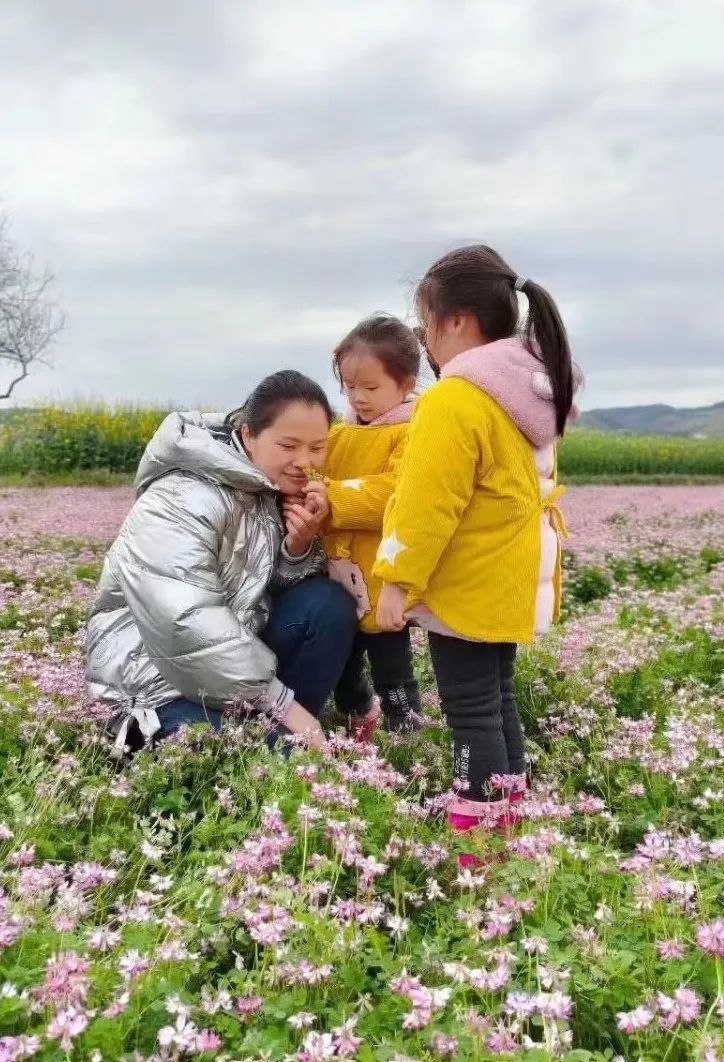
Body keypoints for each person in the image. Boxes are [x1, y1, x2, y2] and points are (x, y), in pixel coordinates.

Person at [373, 244, 576, 840]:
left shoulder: (455, 398)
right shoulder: (525, 390)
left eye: (424, 322)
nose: (425, 340)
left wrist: (398, 581)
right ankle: (512, 817)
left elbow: (426, 505)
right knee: (495, 701)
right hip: (508, 581)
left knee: (469, 713)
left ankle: (477, 840)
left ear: (455, 320)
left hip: (465, 584)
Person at [86, 370, 357, 756]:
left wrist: (296, 548)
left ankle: (274, 732)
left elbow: (259, 591)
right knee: (274, 761)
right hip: (158, 683)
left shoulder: (266, 487)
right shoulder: (182, 496)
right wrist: (286, 707)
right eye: (288, 445)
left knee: (327, 604)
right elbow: (186, 622)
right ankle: (280, 733)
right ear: (248, 435)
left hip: (228, 668)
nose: (304, 462)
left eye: (317, 448)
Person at [307, 314, 424, 739]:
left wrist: (330, 496)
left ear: (406, 382)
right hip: (339, 574)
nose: (359, 398)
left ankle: (407, 730)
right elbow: (309, 473)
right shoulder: (338, 436)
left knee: (391, 664)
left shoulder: (414, 433)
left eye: (371, 388)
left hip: (382, 579)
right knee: (343, 660)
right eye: (350, 387)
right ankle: (357, 715)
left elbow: (395, 494)